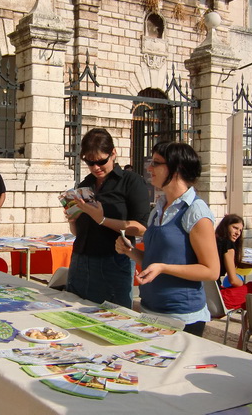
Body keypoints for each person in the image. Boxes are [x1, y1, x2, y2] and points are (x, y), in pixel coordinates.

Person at [116, 141, 219, 336]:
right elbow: (154, 262)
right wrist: (130, 251)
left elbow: (211, 271)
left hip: (182, 317)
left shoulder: (196, 211)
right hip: (150, 310)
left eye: (156, 163)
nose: (149, 168)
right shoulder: (159, 207)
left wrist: (163, 268)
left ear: (176, 169)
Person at [67, 128, 150, 308]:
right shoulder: (86, 184)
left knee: (114, 315)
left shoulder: (131, 182)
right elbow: (79, 231)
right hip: (81, 259)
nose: (96, 168)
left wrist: (103, 219)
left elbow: (141, 227)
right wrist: (73, 219)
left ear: (113, 154)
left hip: (113, 260)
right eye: (89, 163)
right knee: (75, 312)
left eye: (101, 161)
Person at [215, 214, 252, 310]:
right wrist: (242, 284)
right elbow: (233, 280)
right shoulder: (228, 245)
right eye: (235, 228)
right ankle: (251, 322)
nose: (238, 233)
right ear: (226, 226)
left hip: (206, 295)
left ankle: (248, 320)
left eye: (240, 230)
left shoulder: (212, 240)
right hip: (219, 300)